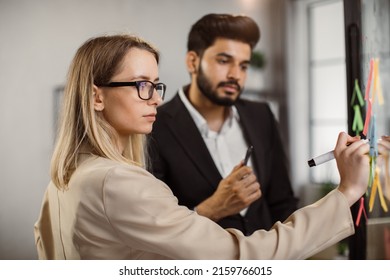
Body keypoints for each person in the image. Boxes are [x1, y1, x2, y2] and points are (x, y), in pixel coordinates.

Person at [34, 33, 380, 260]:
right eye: (141, 85)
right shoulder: (118, 182)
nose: (155, 99)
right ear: (96, 96)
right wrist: (346, 192)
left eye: (156, 85)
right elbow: (241, 257)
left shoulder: (65, 179)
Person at [147, 13, 297, 235]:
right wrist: (213, 208)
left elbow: (282, 202)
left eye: (243, 66)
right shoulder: (153, 126)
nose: (235, 75)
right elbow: (155, 227)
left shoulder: (261, 115)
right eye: (224, 61)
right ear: (193, 62)